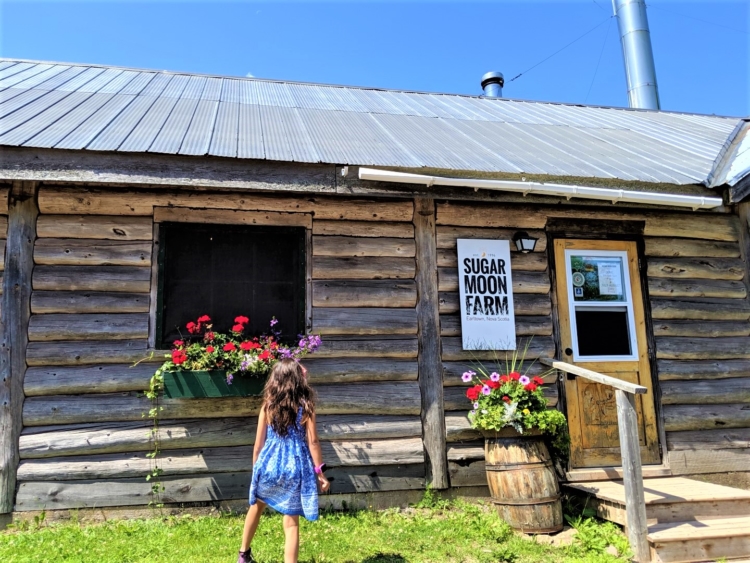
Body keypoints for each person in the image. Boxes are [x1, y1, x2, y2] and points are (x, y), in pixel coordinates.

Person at [238, 359, 330, 563]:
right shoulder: (306, 406)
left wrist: (256, 470)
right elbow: (313, 442)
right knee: (291, 522)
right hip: (294, 467)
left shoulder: (267, 406)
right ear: (297, 380)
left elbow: (257, 445)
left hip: (269, 464)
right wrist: (320, 472)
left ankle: (243, 554)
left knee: (256, 506)